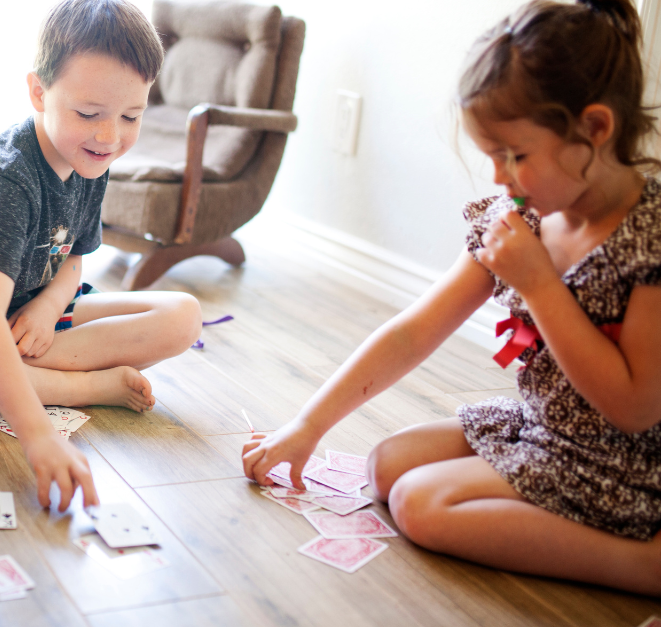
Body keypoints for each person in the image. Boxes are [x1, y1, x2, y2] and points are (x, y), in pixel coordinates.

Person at [242, 0, 661, 595]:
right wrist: (308, 425)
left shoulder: (648, 238)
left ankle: (644, 564)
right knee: (385, 465)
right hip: (540, 425)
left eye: (515, 155)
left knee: (418, 504)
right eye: (491, 156)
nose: (499, 177)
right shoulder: (521, 219)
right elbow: (415, 331)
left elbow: (635, 408)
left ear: (594, 129)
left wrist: (540, 285)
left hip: (623, 463)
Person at [0, 0, 202, 513]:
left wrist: (47, 309)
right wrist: (39, 433)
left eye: (131, 116)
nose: (110, 136)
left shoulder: (91, 155)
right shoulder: (4, 179)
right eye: (89, 114)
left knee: (183, 316)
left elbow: (73, 259)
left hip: (25, 307)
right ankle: (83, 387)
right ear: (39, 91)